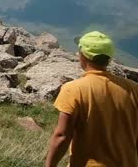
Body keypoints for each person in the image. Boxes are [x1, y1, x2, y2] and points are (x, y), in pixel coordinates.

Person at [45, 31, 138, 167]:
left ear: (82, 56)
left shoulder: (73, 89)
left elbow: (62, 136)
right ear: (109, 59)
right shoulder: (133, 88)